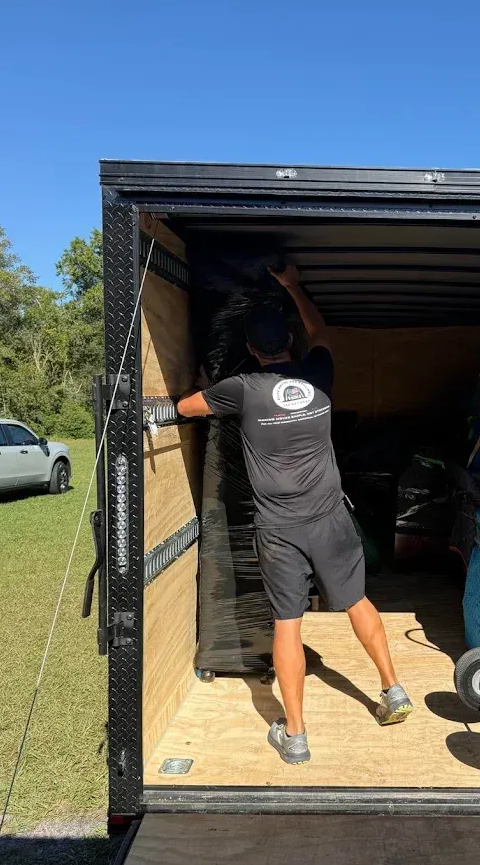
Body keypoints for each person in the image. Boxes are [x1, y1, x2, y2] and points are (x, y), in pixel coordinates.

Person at [177, 264, 413, 764]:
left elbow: (184, 408)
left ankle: (297, 736)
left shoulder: (241, 389)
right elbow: (321, 332)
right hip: (330, 518)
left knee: (288, 624)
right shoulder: (318, 373)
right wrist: (293, 286)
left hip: (279, 529)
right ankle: (393, 691)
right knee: (356, 602)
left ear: (252, 348)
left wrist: (212, 384)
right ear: (288, 340)